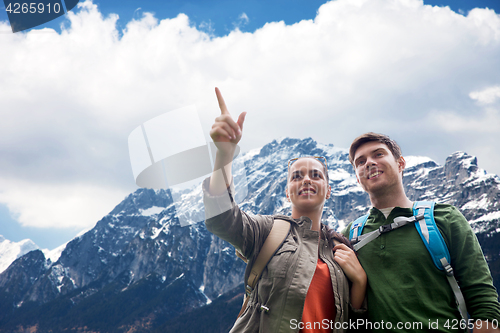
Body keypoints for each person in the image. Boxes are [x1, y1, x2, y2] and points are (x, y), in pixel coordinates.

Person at [202, 87, 367, 332]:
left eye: (315, 175)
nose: (307, 180)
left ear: (329, 190)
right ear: (287, 191)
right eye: (296, 176)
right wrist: (224, 153)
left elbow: (354, 323)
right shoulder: (267, 231)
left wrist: (360, 282)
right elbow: (221, 217)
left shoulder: (341, 249)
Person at [342, 132, 500, 332]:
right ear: (357, 177)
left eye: (379, 154)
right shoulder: (349, 235)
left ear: (400, 164)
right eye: (360, 161)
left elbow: (483, 300)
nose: (369, 163)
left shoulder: (444, 218)